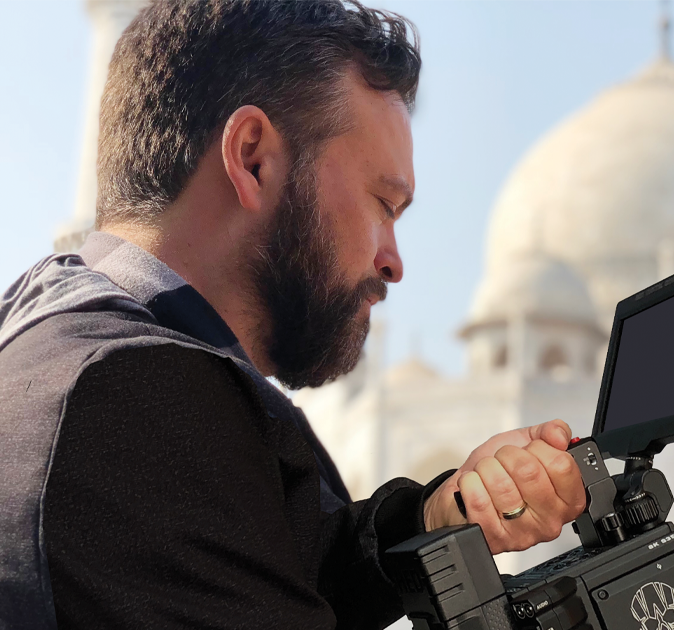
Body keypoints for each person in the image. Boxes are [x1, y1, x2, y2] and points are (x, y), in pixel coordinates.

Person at [0, 1, 587, 628]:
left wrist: (437, 521)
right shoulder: (132, 401)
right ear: (254, 159)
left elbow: (270, 564)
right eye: (383, 204)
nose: (393, 263)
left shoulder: (54, 328)